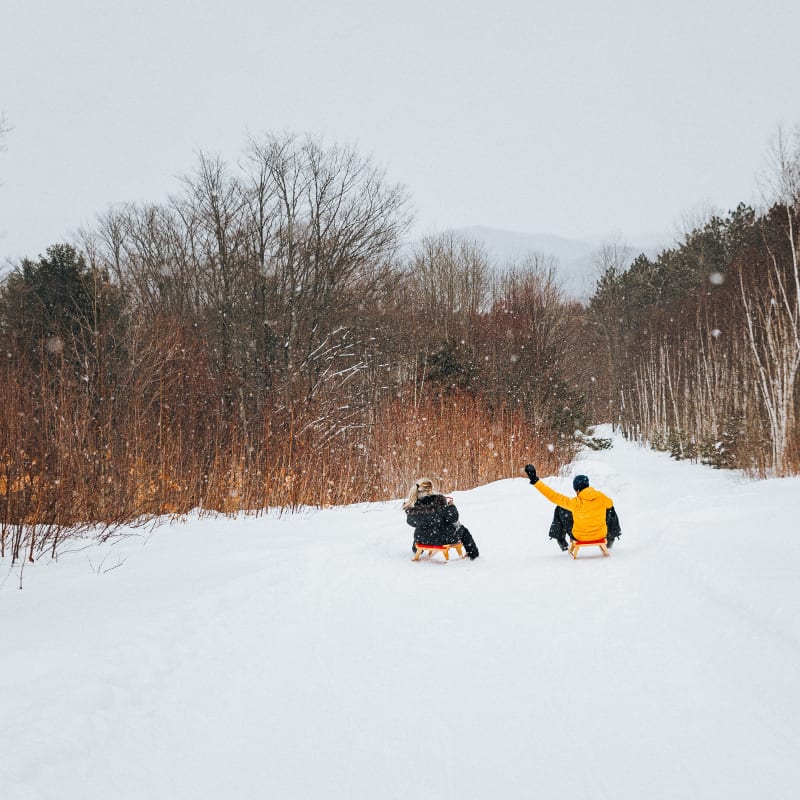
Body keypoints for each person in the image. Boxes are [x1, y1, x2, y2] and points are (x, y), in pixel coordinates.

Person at [524, 465, 621, 551]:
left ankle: (560, 539)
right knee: (610, 509)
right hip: (600, 534)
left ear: (577, 489)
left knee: (560, 508)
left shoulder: (575, 503)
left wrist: (535, 480)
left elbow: (553, 496)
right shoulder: (602, 497)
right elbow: (610, 504)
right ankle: (611, 536)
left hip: (580, 536)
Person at [403, 477, 479, 560]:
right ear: (430, 489)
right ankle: (473, 555)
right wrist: (451, 506)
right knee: (463, 530)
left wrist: (424, 520)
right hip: (442, 538)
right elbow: (453, 518)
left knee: (421, 528)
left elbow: (412, 523)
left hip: (422, 539)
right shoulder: (439, 501)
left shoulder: (413, 506)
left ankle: (416, 550)